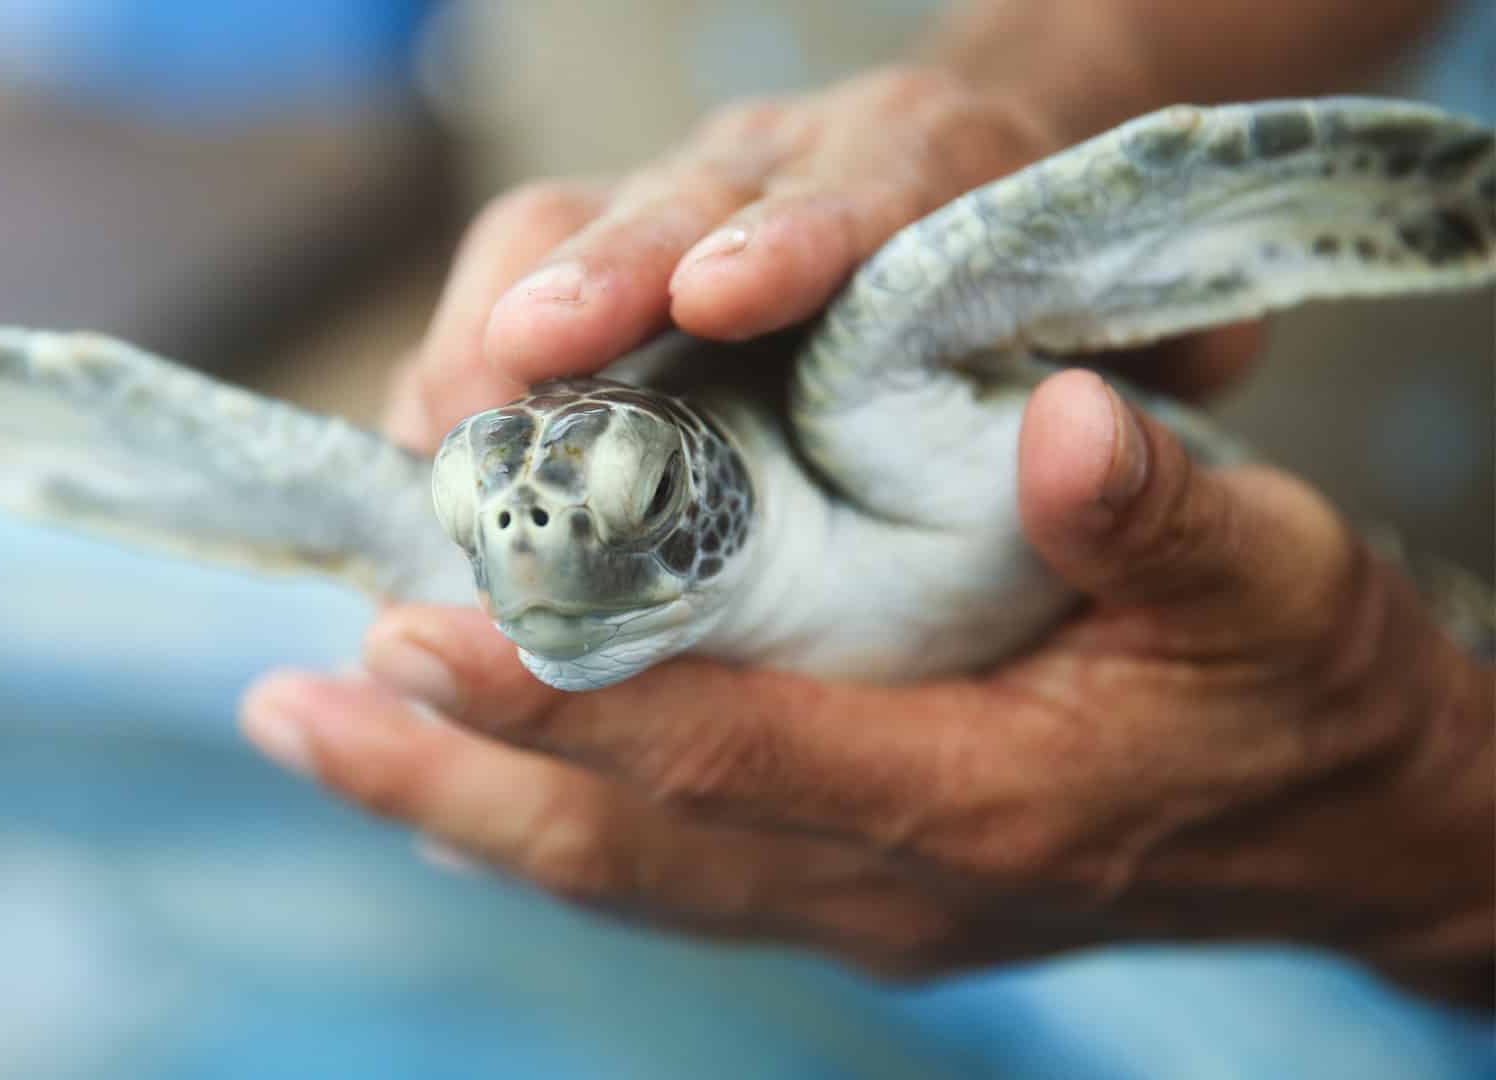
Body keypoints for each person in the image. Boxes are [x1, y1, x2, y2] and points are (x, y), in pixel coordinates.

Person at [240, 0, 1493, 1009]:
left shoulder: (875, 405)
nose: (526, 550)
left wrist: (1449, 833)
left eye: (644, 496)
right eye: (483, 516)